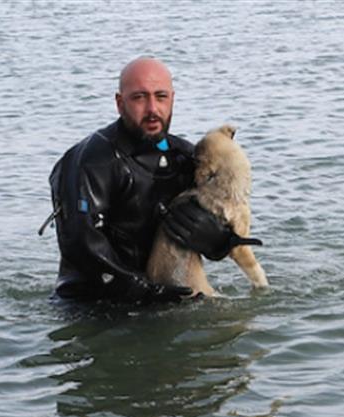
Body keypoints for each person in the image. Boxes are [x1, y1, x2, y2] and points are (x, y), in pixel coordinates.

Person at [43, 57, 246, 304]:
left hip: (163, 298)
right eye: (139, 97)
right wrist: (144, 291)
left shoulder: (185, 158)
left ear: (172, 99)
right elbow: (80, 245)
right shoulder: (91, 162)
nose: (152, 109)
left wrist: (219, 240)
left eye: (160, 97)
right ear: (119, 103)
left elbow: (221, 236)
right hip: (92, 306)